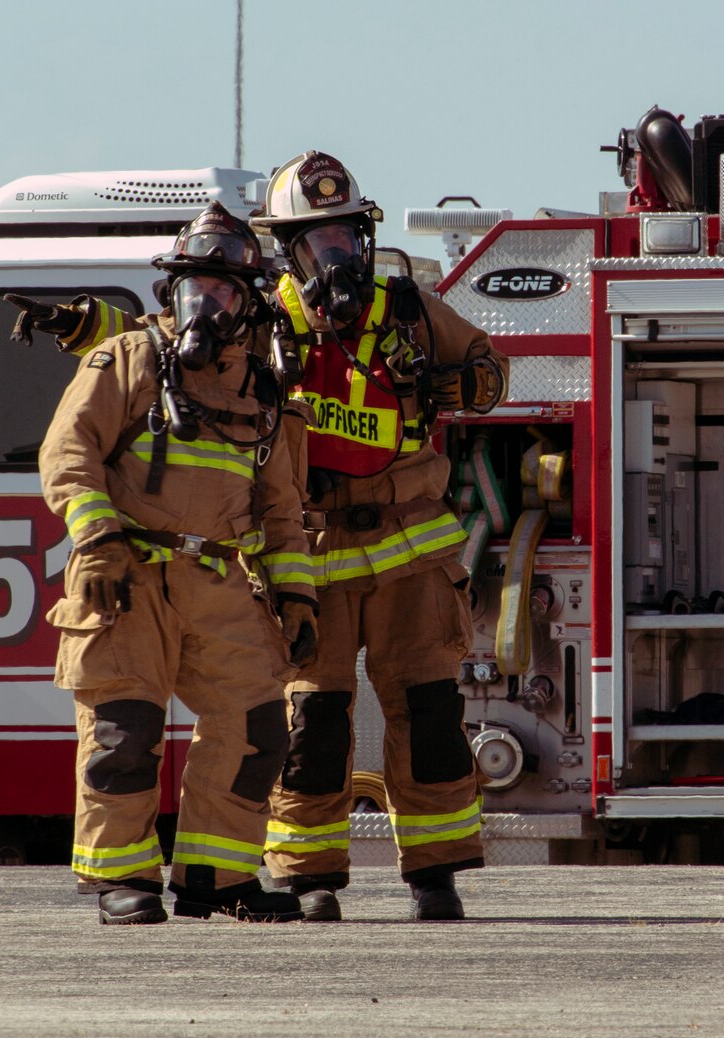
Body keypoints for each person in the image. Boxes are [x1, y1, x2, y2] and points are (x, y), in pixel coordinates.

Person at [38, 202, 319, 925]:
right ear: (172, 292)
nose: (207, 303)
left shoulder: (261, 392)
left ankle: (217, 877)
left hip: (220, 580)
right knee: (123, 731)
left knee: (258, 724)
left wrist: (297, 597)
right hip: (126, 576)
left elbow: (282, 510)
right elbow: (69, 453)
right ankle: (119, 878)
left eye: (223, 290)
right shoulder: (129, 359)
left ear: (248, 303)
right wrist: (96, 539)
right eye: (195, 286)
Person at [253, 152, 509, 921]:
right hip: (313, 549)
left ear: (361, 237)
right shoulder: (268, 326)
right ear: (287, 251)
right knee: (314, 723)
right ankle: (311, 875)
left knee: (430, 710)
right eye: (313, 241)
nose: (331, 256)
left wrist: (453, 384)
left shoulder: (406, 311)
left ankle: (435, 875)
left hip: (411, 551)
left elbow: (489, 372)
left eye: (341, 237)